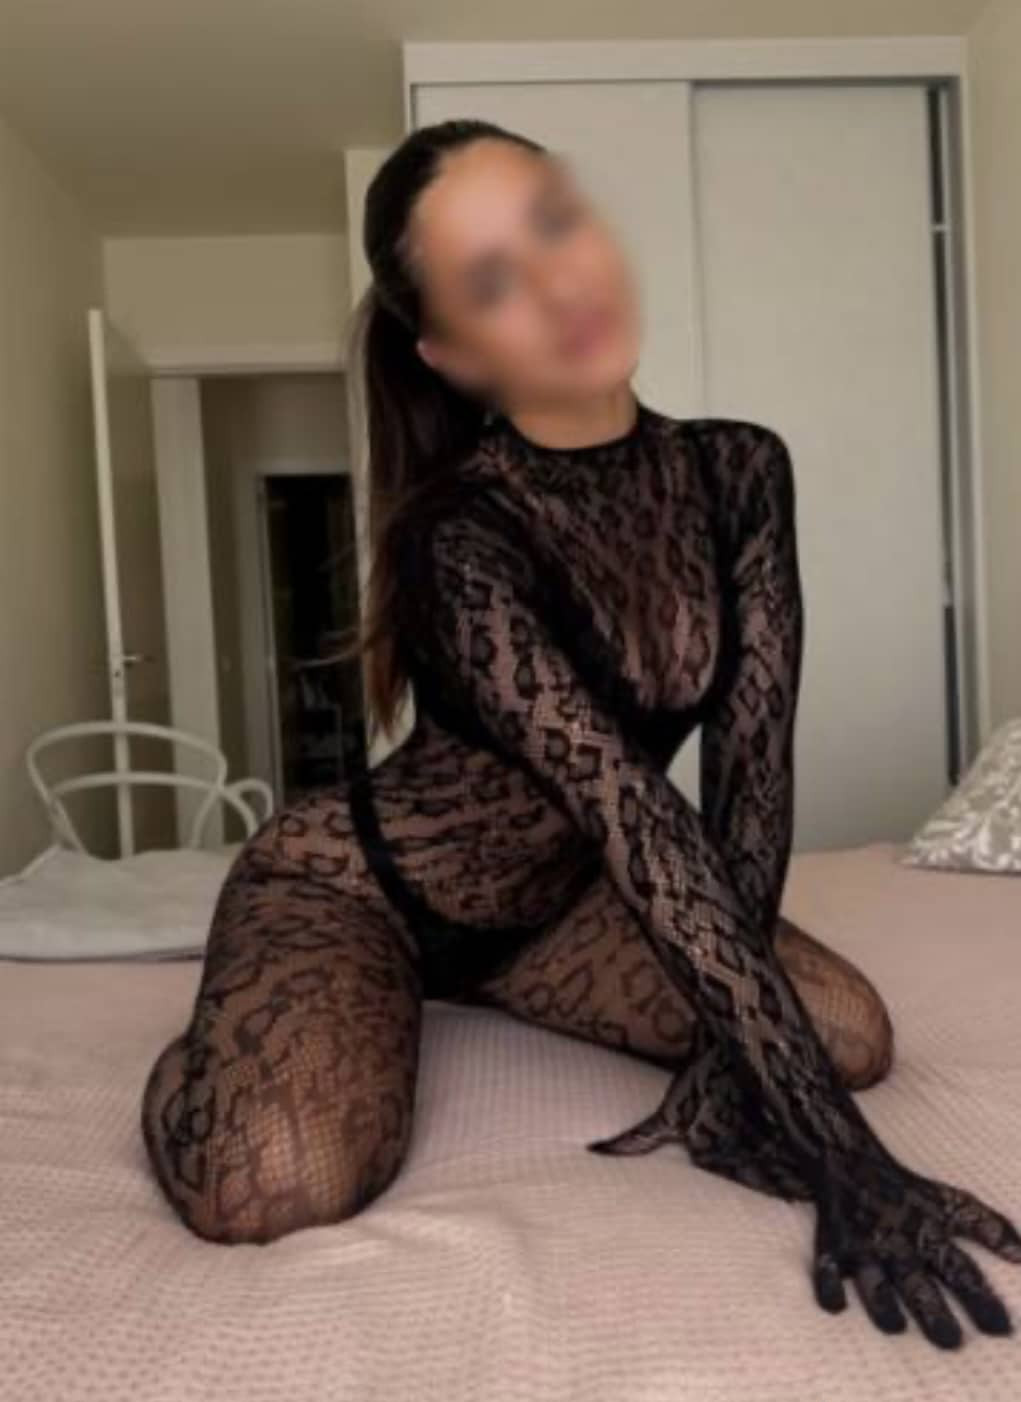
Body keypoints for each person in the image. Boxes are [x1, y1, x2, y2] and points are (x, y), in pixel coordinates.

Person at [139, 118, 1021, 1348]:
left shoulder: (739, 470)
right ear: (452, 353)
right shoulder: (459, 536)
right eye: (494, 280)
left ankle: (481, 994)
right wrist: (846, 1163)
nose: (560, 285)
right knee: (273, 1184)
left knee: (846, 1036)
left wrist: (749, 1070)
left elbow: (749, 787)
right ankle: (208, 1052)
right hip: (362, 891)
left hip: (557, 912)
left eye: (554, 222)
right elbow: (637, 816)